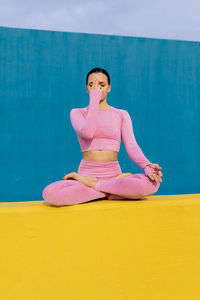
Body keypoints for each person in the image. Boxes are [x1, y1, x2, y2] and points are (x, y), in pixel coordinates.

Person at [42, 67, 163, 206]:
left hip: (115, 177)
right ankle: (109, 191)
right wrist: (94, 99)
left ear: (109, 88)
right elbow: (88, 133)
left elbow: (132, 146)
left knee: (151, 184)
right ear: (87, 88)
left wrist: (147, 166)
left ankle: (100, 187)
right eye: (91, 85)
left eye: (102, 85)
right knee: (50, 193)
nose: (96, 89)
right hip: (86, 177)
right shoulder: (77, 113)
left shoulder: (121, 114)